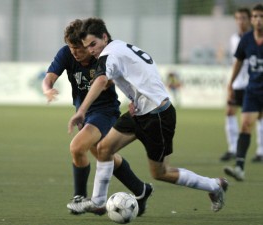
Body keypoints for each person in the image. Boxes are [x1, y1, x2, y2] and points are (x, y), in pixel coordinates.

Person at [66, 17, 228, 215]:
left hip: (157, 117)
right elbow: (141, 70)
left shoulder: (108, 55)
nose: (91, 50)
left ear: (104, 37)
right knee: (104, 148)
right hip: (141, 111)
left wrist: (81, 111)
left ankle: (214, 185)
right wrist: (138, 95)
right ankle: (98, 201)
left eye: (93, 44)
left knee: (161, 172)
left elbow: (100, 80)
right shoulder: (120, 47)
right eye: (87, 46)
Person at [42, 19, 153, 216]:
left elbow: (112, 79)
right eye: (71, 47)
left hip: (105, 112)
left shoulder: (103, 56)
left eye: (78, 47)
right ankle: (141, 190)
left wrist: (133, 97)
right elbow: (49, 76)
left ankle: (80, 198)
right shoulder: (66, 54)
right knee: (104, 154)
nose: (75, 52)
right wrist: (48, 89)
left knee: (77, 147)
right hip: (83, 115)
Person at [224, 4, 263, 181]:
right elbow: (238, 62)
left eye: (261, 17)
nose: (258, 20)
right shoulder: (246, 39)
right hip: (253, 90)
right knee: (246, 125)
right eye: (255, 16)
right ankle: (239, 167)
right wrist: (231, 84)